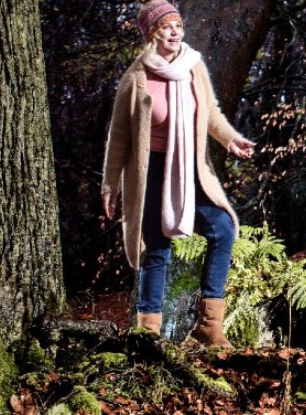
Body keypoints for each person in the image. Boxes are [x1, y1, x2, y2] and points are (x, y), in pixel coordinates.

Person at [100, 0, 255, 348]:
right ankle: (148, 332)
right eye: (167, 26)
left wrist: (230, 139)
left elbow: (210, 111)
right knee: (156, 248)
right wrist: (110, 183)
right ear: (152, 32)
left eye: (178, 26)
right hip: (151, 169)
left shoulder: (193, 66)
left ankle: (209, 325)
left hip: (189, 168)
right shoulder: (137, 76)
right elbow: (120, 134)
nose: (175, 32)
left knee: (222, 228)